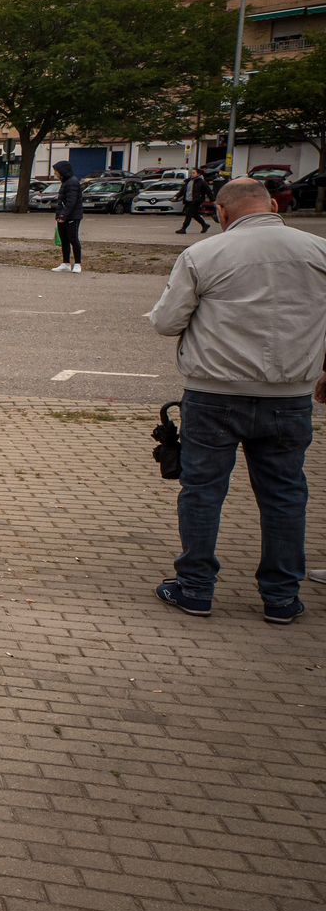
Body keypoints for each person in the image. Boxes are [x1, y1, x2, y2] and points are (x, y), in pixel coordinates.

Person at [148, 179, 326, 624]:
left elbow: (167, 323)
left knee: (203, 491)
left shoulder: (204, 254)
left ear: (221, 213)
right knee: (285, 495)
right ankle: (281, 597)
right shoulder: (318, 252)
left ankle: (195, 588)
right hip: (290, 395)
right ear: (273, 205)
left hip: (215, 393)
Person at [50, 161, 85, 274]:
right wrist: (59, 215)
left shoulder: (72, 182)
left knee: (73, 239)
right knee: (64, 239)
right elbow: (62, 201)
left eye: (56, 171)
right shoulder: (65, 182)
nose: (55, 173)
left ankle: (77, 264)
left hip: (72, 216)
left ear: (62, 171)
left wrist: (63, 215)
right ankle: (65, 263)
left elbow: (71, 202)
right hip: (63, 216)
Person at [178, 166, 213, 234]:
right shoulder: (188, 181)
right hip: (188, 200)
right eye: (191, 173)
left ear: (198, 174)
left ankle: (183, 229)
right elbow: (182, 190)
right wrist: (176, 196)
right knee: (194, 214)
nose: (192, 174)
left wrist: (212, 199)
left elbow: (208, 191)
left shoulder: (201, 182)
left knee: (188, 214)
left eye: (194, 173)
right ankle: (205, 225)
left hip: (196, 201)